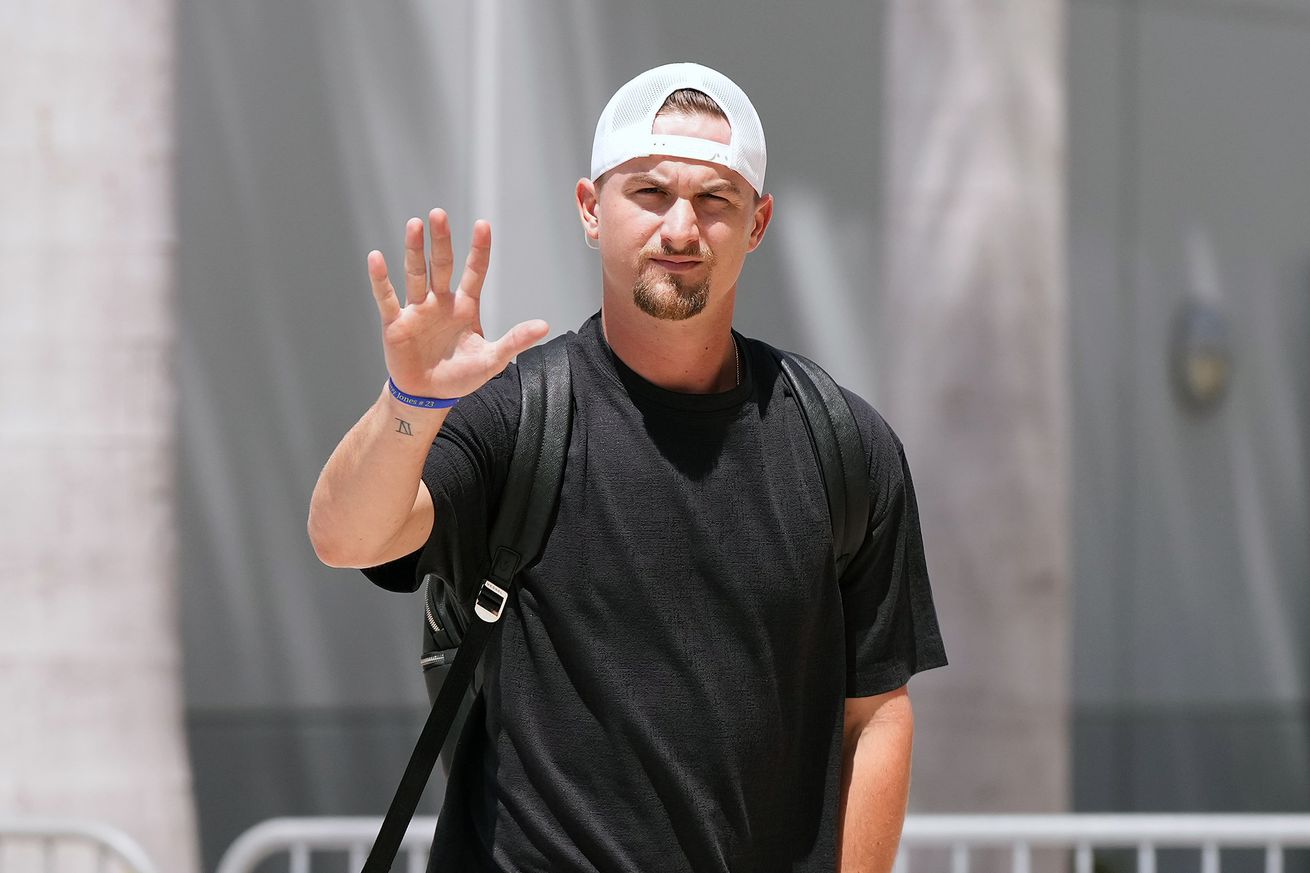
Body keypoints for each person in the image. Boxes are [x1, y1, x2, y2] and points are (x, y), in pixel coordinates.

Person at [309, 62, 946, 873]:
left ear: (757, 224)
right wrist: (410, 402)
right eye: (649, 193)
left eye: (715, 200)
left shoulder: (842, 443)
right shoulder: (519, 417)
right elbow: (344, 537)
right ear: (589, 209)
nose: (681, 228)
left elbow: (877, 712)